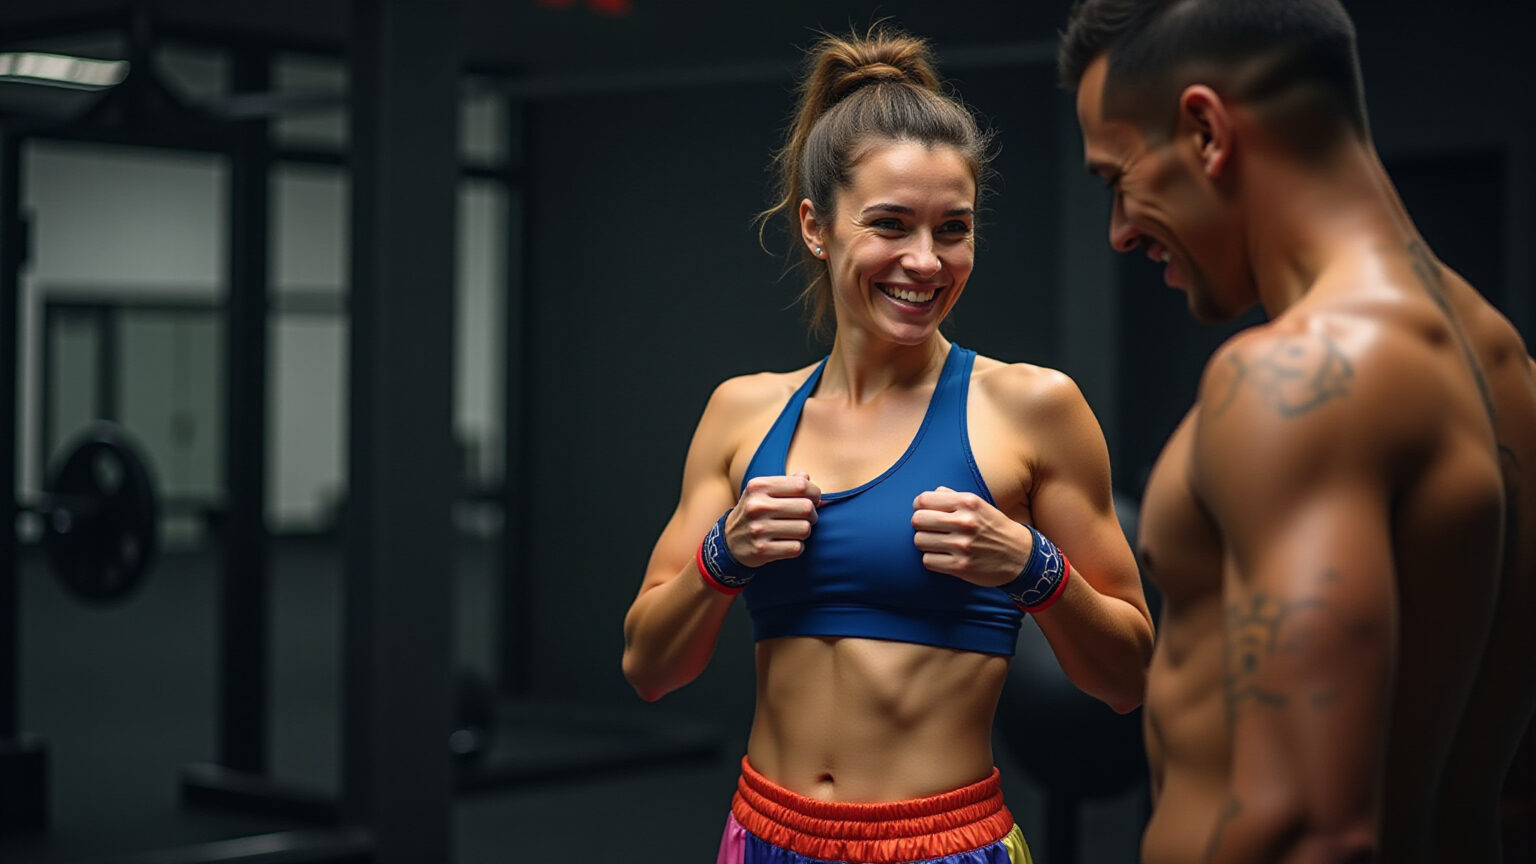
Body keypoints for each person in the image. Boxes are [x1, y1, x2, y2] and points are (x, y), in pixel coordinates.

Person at [621, 26, 1154, 864]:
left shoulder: (1032, 409)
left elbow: (1127, 682)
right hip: (762, 836)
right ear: (815, 226)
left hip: (941, 847)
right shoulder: (742, 413)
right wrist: (725, 555)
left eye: (954, 229)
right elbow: (649, 667)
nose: (925, 260)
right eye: (891, 223)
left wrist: (1031, 565)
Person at [1057, 1, 1536, 862]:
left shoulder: (1293, 380)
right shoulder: (1509, 374)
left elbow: (1312, 834)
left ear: (1206, 131)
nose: (1121, 232)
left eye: (1116, 179)